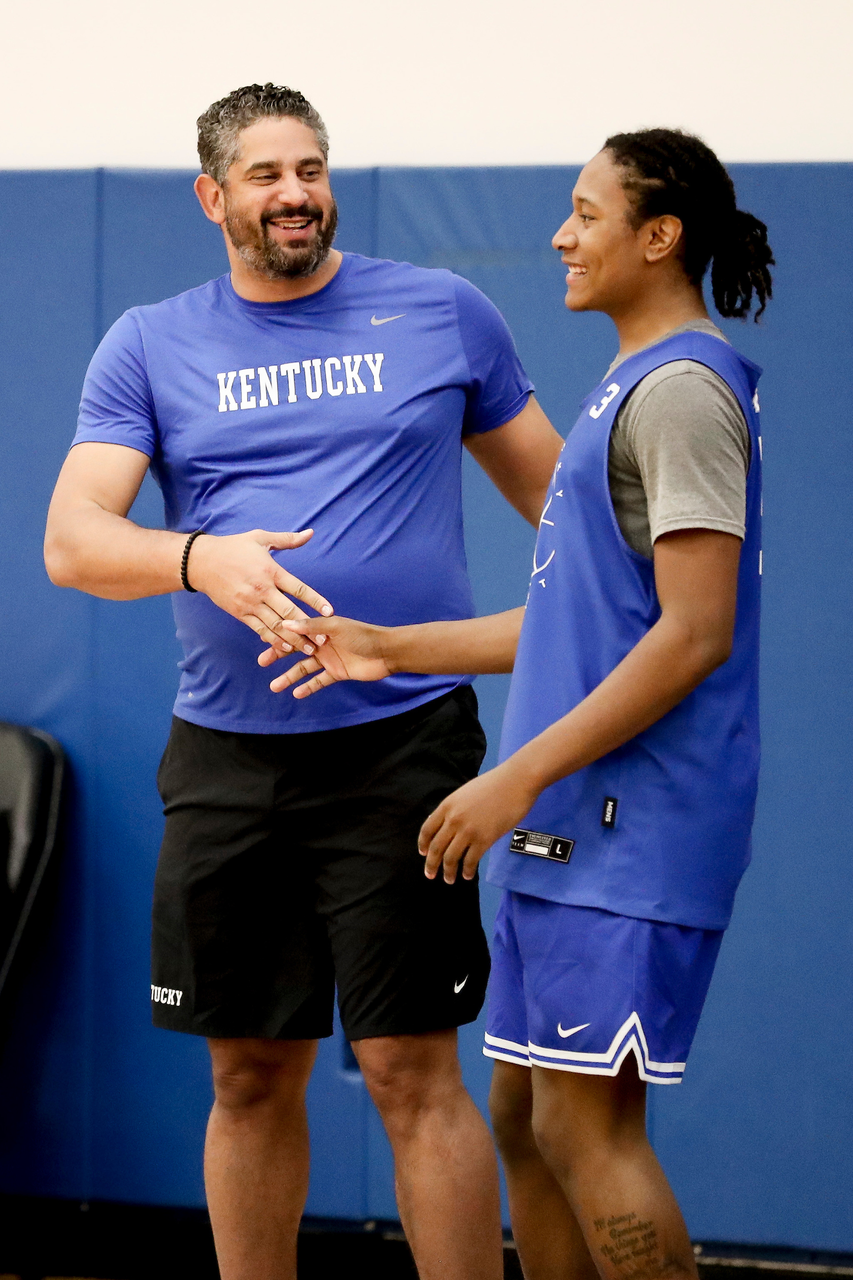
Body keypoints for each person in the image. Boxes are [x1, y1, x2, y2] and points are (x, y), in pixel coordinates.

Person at [43, 83, 564, 1280]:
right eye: (268, 175)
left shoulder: (443, 314)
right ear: (212, 195)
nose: (296, 195)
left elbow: (564, 521)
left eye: (312, 169)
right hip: (228, 756)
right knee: (246, 1071)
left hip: (402, 743)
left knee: (408, 1067)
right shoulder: (150, 342)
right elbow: (74, 541)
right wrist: (198, 557)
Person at [269, 128, 774, 1280]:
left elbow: (693, 634)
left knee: (586, 1129)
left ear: (660, 236)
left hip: (626, 825)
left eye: (587, 213)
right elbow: (578, 623)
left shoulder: (685, 391)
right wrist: (385, 646)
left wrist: (515, 772)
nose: (561, 233)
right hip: (570, 824)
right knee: (526, 1122)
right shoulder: (624, 387)